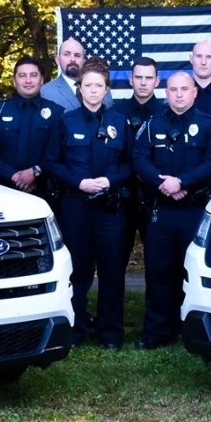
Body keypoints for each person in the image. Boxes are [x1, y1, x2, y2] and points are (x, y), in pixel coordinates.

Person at [132, 70, 211, 349]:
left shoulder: (209, 125)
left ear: (194, 92)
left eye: (184, 89)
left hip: (194, 210)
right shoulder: (152, 125)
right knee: (159, 272)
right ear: (166, 92)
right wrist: (163, 184)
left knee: (193, 272)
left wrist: (183, 182)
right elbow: (139, 158)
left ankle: (193, 333)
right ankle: (157, 332)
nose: (178, 94)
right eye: (173, 89)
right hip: (161, 209)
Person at [49, 66, 132, 348]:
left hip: (110, 208)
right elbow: (52, 162)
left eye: (99, 86)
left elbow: (131, 164)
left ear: (106, 90)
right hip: (76, 205)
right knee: (78, 271)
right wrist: (78, 182)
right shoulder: (66, 121)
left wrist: (111, 180)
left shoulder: (120, 121)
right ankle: (76, 330)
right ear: (79, 89)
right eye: (88, 85)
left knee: (111, 270)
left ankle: (110, 333)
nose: (94, 90)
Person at [0, 55, 62, 195]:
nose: (28, 80)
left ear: (42, 80)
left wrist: (35, 172)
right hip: (0, 190)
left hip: (43, 192)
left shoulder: (56, 113)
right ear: (14, 81)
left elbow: (58, 152)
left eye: (33, 75)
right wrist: (14, 176)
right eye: (22, 75)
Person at [122, 56, 162, 265]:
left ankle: (156, 300)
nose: (143, 82)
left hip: (156, 195)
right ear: (131, 79)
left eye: (149, 77)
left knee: (158, 260)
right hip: (123, 196)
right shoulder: (116, 113)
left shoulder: (166, 113)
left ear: (157, 81)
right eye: (139, 77)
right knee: (116, 259)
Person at [40, 38, 87, 111]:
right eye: (67, 54)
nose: (72, 59)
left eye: (77, 55)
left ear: (84, 62)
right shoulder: (45, 92)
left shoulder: (102, 89)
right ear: (58, 60)